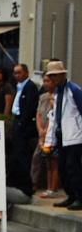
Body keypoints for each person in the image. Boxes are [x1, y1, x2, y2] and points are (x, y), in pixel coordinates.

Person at [44, 60, 82, 210]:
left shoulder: (74, 90)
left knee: (74, 168)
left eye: (54, 76)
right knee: (63, 168)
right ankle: (71, 195)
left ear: (62, 75)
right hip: (62, 135)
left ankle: (79, 196)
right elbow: (54, 117)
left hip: (75, 136)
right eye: (50, 77)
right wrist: (50, 140)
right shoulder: (58, 93)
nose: (52, 79)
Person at [10, 63, 39, 196]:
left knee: (23, 155)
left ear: (26, 73)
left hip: (24, 125)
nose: (17, 75)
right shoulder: (19, 87)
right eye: (15, 73)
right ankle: (16, 180)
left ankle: (26, 183)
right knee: (15, 154)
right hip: (16, 120)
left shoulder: (30, 87)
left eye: (19, 72)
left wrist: (22, 124)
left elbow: (29, 108)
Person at [32, 74, 60, 198]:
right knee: (45, 161)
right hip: (42, 133)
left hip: (53, 133)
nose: (46, 83)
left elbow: (53, 116)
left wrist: (46, 130)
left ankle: (53, 188)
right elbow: (38, 114)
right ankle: (43, 186)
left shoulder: (59, 97)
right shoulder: (43, 97)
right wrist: (40, 130)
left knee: (54, 162)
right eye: (44, 81)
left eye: (48, 81)